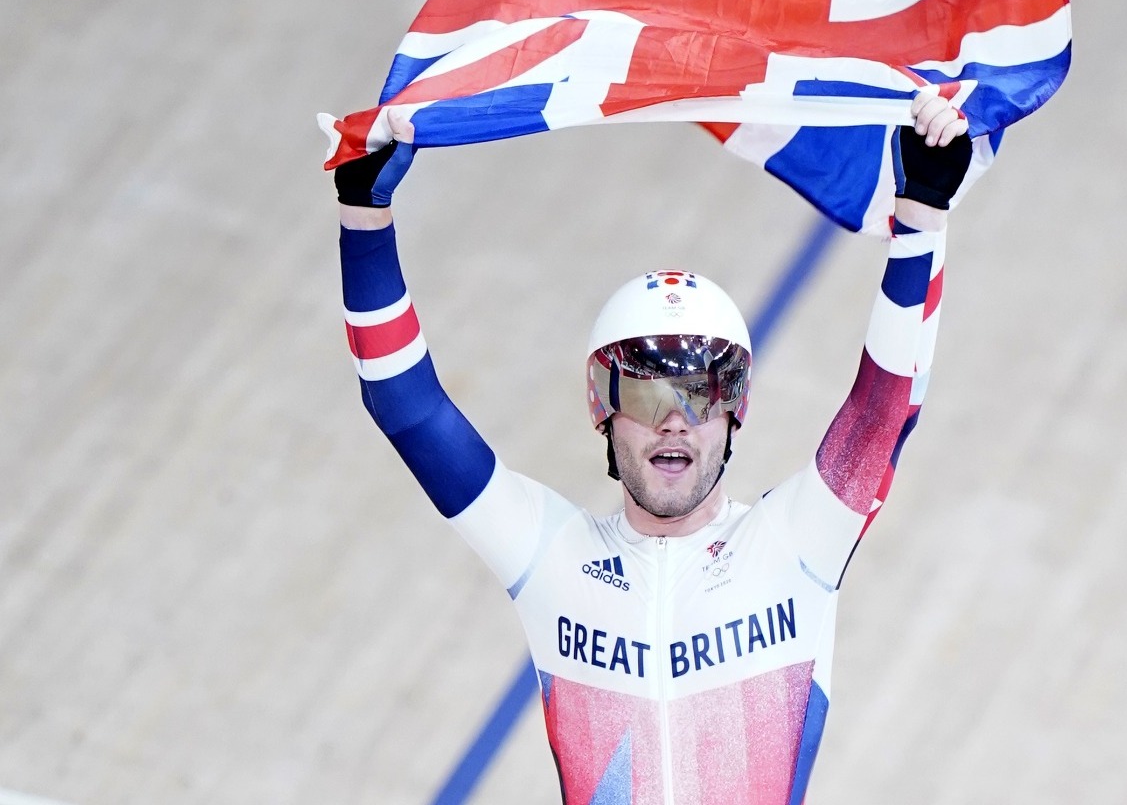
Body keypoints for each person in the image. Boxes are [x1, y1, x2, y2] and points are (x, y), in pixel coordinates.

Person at [333, 93, 972, 805]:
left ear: (737, 408)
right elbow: (408, 409)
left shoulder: (794, 547)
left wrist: (921, 216)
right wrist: (365, 218)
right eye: (645, 395)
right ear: (600, 408)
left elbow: (885, 408)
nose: (674, 421)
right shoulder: (554, 562)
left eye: (699, 393)